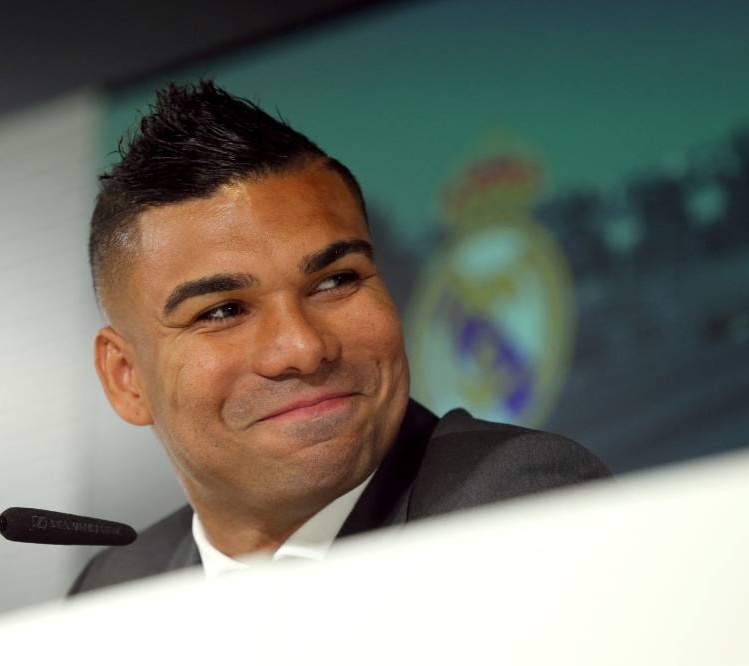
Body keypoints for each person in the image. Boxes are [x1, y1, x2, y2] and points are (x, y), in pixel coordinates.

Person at [70, 81, 609, 593]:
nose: (303, 348)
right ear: (127, 378)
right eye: (224, 310)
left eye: (335, 281)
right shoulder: (113, 589)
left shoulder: (515, 505)